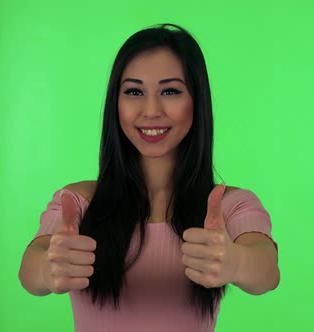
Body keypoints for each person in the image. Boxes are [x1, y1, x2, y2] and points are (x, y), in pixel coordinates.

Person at [18, 23, 280, 332]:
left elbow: (267, 272)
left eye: (170, 91)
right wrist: (49, 268)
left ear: (197, 101)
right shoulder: (78, 201)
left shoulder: (229, 205)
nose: (151, 110)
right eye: (134, 91)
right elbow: (31, 269)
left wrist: (237, 262)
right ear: (116, 103)